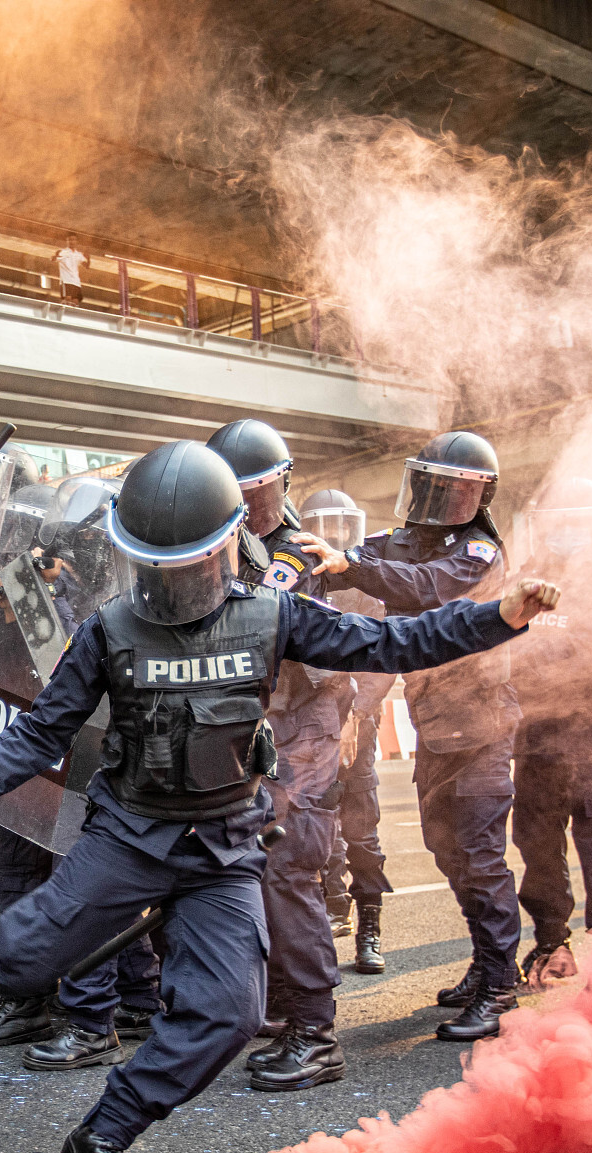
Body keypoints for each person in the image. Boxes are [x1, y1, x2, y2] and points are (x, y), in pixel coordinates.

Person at [0, 439, 558, 1153]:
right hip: (128, 838)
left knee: (228, 1012)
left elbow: (390, 643)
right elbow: (40, 732)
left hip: (222, 846)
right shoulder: (109, 629)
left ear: (228, 544)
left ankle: (99, 1145)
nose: (174, 582)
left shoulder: (274, 614)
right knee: (24, 959)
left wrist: (499, 617)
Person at [315, 432, 530, 1040]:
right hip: (434, 725)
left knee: (481, 856)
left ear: (474, 492)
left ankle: (498, 983)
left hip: (483, 726)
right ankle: (486, 961)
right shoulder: (408, 541)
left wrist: (354, 566)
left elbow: (424, 587)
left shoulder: (480, 552)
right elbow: (359, 558)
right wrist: (310, 560)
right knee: (444, 846)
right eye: (427, 480)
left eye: (446, 484)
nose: (432, 494)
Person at [206, 419, 351, 1091]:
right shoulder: (224, 555)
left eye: (247, 495)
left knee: (290, 867)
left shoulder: (296, 555)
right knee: (257, 871)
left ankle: (316, 1035)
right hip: (262, 730)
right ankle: (287, 1005)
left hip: (305, 727)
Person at [507, 477, 592, 990]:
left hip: (588, 740)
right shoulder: (521, 583)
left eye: (575, 525)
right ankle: (551, 942)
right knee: (538, 846)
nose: (565, 534)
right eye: (556, 524)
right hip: (533, 742)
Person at [299, 488, 392, 972]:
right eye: (323, 525)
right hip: (310, 726)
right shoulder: (296, 576)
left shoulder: (367, 582)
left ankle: (369, 926)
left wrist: (358, 715)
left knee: (361, 827)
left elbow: (384, 657)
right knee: (310, 825)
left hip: (357, 725)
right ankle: (329, 915)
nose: (333, 536)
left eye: (342, 525)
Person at [55, 236, 87, 306]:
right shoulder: (63, 252)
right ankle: (63, 312)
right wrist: (55, 257)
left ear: (76, 241)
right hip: (66, 280)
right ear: (67, 241)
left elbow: (86, 266)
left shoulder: (78, 254)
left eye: (73, 240)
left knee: (76, 301)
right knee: (67, 299)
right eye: (69, 240)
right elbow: (55, 258)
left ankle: (74, 314)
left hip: (76, 281)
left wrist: (88, 258)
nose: (71, 242)